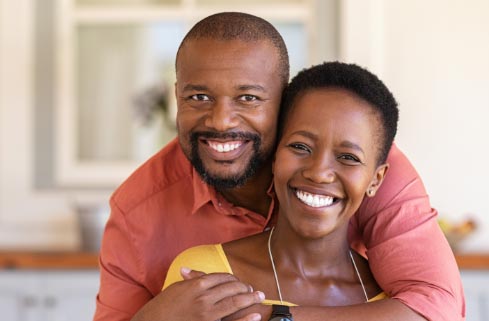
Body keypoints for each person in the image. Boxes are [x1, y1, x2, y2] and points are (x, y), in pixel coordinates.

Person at [94, 12, 464, 321]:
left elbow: (439, 305)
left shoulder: (368, 167)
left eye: (249, 97)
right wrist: (155, 317)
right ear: (177, 96)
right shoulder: (136, 213)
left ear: (283, 99)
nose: (222, 121)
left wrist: (276, 316)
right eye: (200, 96)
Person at [163, 61, 401, 316]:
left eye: (348, 158)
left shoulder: (394, 301)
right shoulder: (206, 276)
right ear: (274, 157)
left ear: (375, 180)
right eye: (300, 147)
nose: (319, 173)